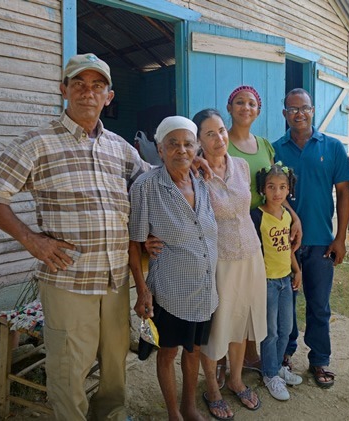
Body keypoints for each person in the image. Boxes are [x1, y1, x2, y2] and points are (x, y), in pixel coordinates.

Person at [0, 53, 150, 420]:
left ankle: (111, 415)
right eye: (79, 84)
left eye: (97, 86)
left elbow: (152, 189)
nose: (88, 92)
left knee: (115, 361)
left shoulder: (120, 148)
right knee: (69, 366)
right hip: (69, 277)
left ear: (108, 96)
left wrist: (189, 160)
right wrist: (31, 239)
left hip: (114, 278)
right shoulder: (37, 143)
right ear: (63, 90)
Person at [128, 116, 218, 421]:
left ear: (196, 147)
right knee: (168, 353)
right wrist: (142, 291)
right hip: (170, 290)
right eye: (173, 144)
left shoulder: (200, 180)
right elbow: (134, 241)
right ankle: (173, 413)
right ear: (160, 148)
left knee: (193, 350)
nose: (182, 150)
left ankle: (189, 406)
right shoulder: (146, 187)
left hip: (204, 288)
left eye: (188, 144)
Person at [272, 88, 349, 388]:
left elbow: (344, 193)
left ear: (313, 110)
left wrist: (340, 238)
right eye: (292, 109)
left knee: (319, 305)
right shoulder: (275, 149)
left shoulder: (331, 147)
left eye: (304, 108)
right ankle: (284, 354)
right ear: (284, 114)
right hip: (284, 243)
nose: (299, 114)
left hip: (321, 241)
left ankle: (319, 360)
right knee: (285, 304)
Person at [223, 85, 303, 380]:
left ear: (258, 111)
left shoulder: (265, 146)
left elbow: (275, 189)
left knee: (261, 302)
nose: (246, 108)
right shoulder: (222, 142)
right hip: (230, 233)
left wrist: (293, 216)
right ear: (230, 107)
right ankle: (224, 366)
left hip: (265, 235)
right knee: (233, 302)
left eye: (252, 103)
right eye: (240, 102)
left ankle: (256, 359)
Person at [194, 109, 267, 420]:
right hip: (219, 259)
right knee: (217, 325)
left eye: (221, 130)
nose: (219, 138)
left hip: (251, 255)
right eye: (210, 133)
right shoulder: (193, 172)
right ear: (198, 140)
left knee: (241, 321)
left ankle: (235, 379)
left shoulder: (240, 165)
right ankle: (211, 387)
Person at [250, 163, 303, 401]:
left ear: (289, 189)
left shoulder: (287, 216)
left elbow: (288, 248)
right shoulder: (257, 215)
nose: (277, 192)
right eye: (271, 187)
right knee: (270, 331)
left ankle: (277, 366)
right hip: (267, 283)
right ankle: (270, 374)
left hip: (285, 280)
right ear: (263, 188)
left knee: (286, 328)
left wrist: (297, 270)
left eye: (282, 187)